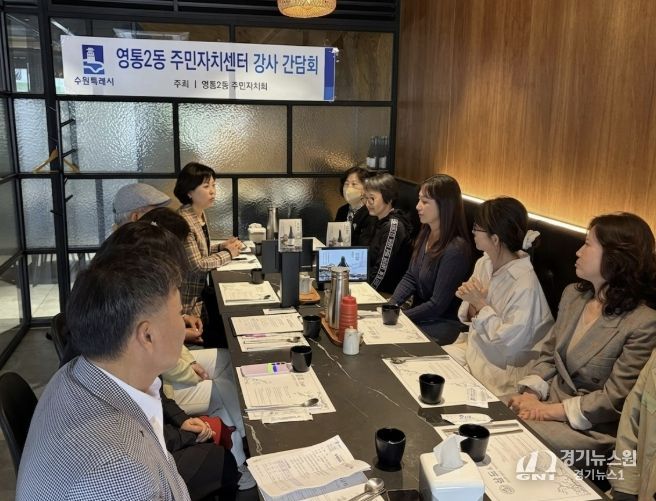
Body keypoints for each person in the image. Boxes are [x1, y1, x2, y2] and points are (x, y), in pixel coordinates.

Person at [17, 246, 191, 500]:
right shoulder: (120, 471)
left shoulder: (75, 373)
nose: (184, 325)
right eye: (180, 313)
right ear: (147, 336)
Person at [106, 220, 254, 491]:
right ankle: (238, 450)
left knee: (226, 368)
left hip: (163, 401)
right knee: (222, 391)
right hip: (160, 422)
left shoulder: (124, 300)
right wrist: (184, 428)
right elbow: (158, 381)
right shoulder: (134, 308)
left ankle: (237, 435)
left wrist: (188, 359)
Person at [508, 212, 656, 471]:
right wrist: (531, 395)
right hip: (547, 399)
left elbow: (613, 400)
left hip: (590, 428)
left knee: (513, 442)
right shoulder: (573, 296)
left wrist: (546, 411)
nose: (578, 252)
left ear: (616, 257)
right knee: (485, 412)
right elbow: (549, 355)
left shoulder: (643, 322)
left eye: (587, 244)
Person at [444, 197, 554, 394]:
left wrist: (480, 304)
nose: (472, 232)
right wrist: (474, 303)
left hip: (504, 369)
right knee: (428, 366)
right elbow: (467, 316)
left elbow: (507, 344)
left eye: (476, 228)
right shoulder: (484, 263)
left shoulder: (524, 283)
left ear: (495, 239)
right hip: (475, 349)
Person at [388, 174, 472, 345]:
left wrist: (400, 316)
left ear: (444, 205)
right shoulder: (426, 233)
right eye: (419, 200)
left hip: (442, 324)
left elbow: (437, 305)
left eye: (425, 202)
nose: (418, 206)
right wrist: (391, 305)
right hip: (421, 317)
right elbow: (411, 276)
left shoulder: (456, 249)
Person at [174, 162, 242, 348]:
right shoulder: (183, 221)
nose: (212, 191)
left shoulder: (199, 213)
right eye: (206, 186)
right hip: (187, 303)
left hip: (200, 295)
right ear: (189, 192)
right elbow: (197, 265)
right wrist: (229, 253)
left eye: (213, 185)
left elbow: (199, 250)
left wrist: (221, 246)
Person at [362, 173, 412, 293]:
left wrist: (365, 293)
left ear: (389, 199)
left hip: (387, 292)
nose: (367, 203)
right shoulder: (376, 219)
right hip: (372, 284)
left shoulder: (393, 226)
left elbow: (381, 272)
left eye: (372, 198)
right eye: (365, 198)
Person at [335, 166, 376, 245]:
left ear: (366, 188)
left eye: (354, 184)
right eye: (346, 184)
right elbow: (336, 239)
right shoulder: (342, 210)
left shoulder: (371, 212)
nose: (348, 188)